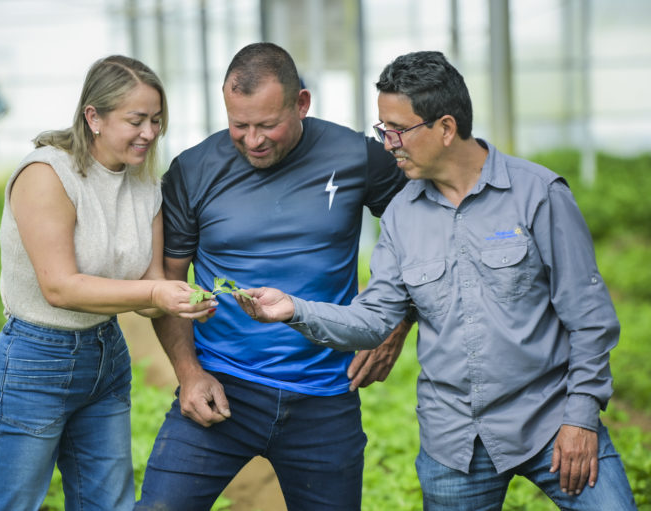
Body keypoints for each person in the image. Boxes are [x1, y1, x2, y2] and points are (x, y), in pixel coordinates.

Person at [238, 50, 638, 510]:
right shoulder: (403, 216)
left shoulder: (539, 196)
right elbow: (374, 320)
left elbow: (590, 321)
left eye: (397, 130)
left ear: (446, 128)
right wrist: (293, 309)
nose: (388, 144)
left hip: (550, 421)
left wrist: (582, 419)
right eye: (381, 130)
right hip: (455, 442)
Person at [136, 42, 414, 510]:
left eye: (267, 125)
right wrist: (188, 374)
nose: (252, 139)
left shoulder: (357, 156)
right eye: (238, 125)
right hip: (222, 385)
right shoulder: (193, 170)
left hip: (325, 395)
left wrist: (396, 324)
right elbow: (169, 284)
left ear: (301, 104)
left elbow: (423, 235)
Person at [0, 55, 215, 511]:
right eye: (136, 120)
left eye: (157, 121)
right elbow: (60, 288)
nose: (149, 132)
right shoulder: (48, 175)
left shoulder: (145, 185)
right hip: (33, 364)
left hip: (104, 358)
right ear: (94, 117)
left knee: (108, 503)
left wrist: (183, 299)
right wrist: (154, 292)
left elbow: (151, 289)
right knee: (13, 503)